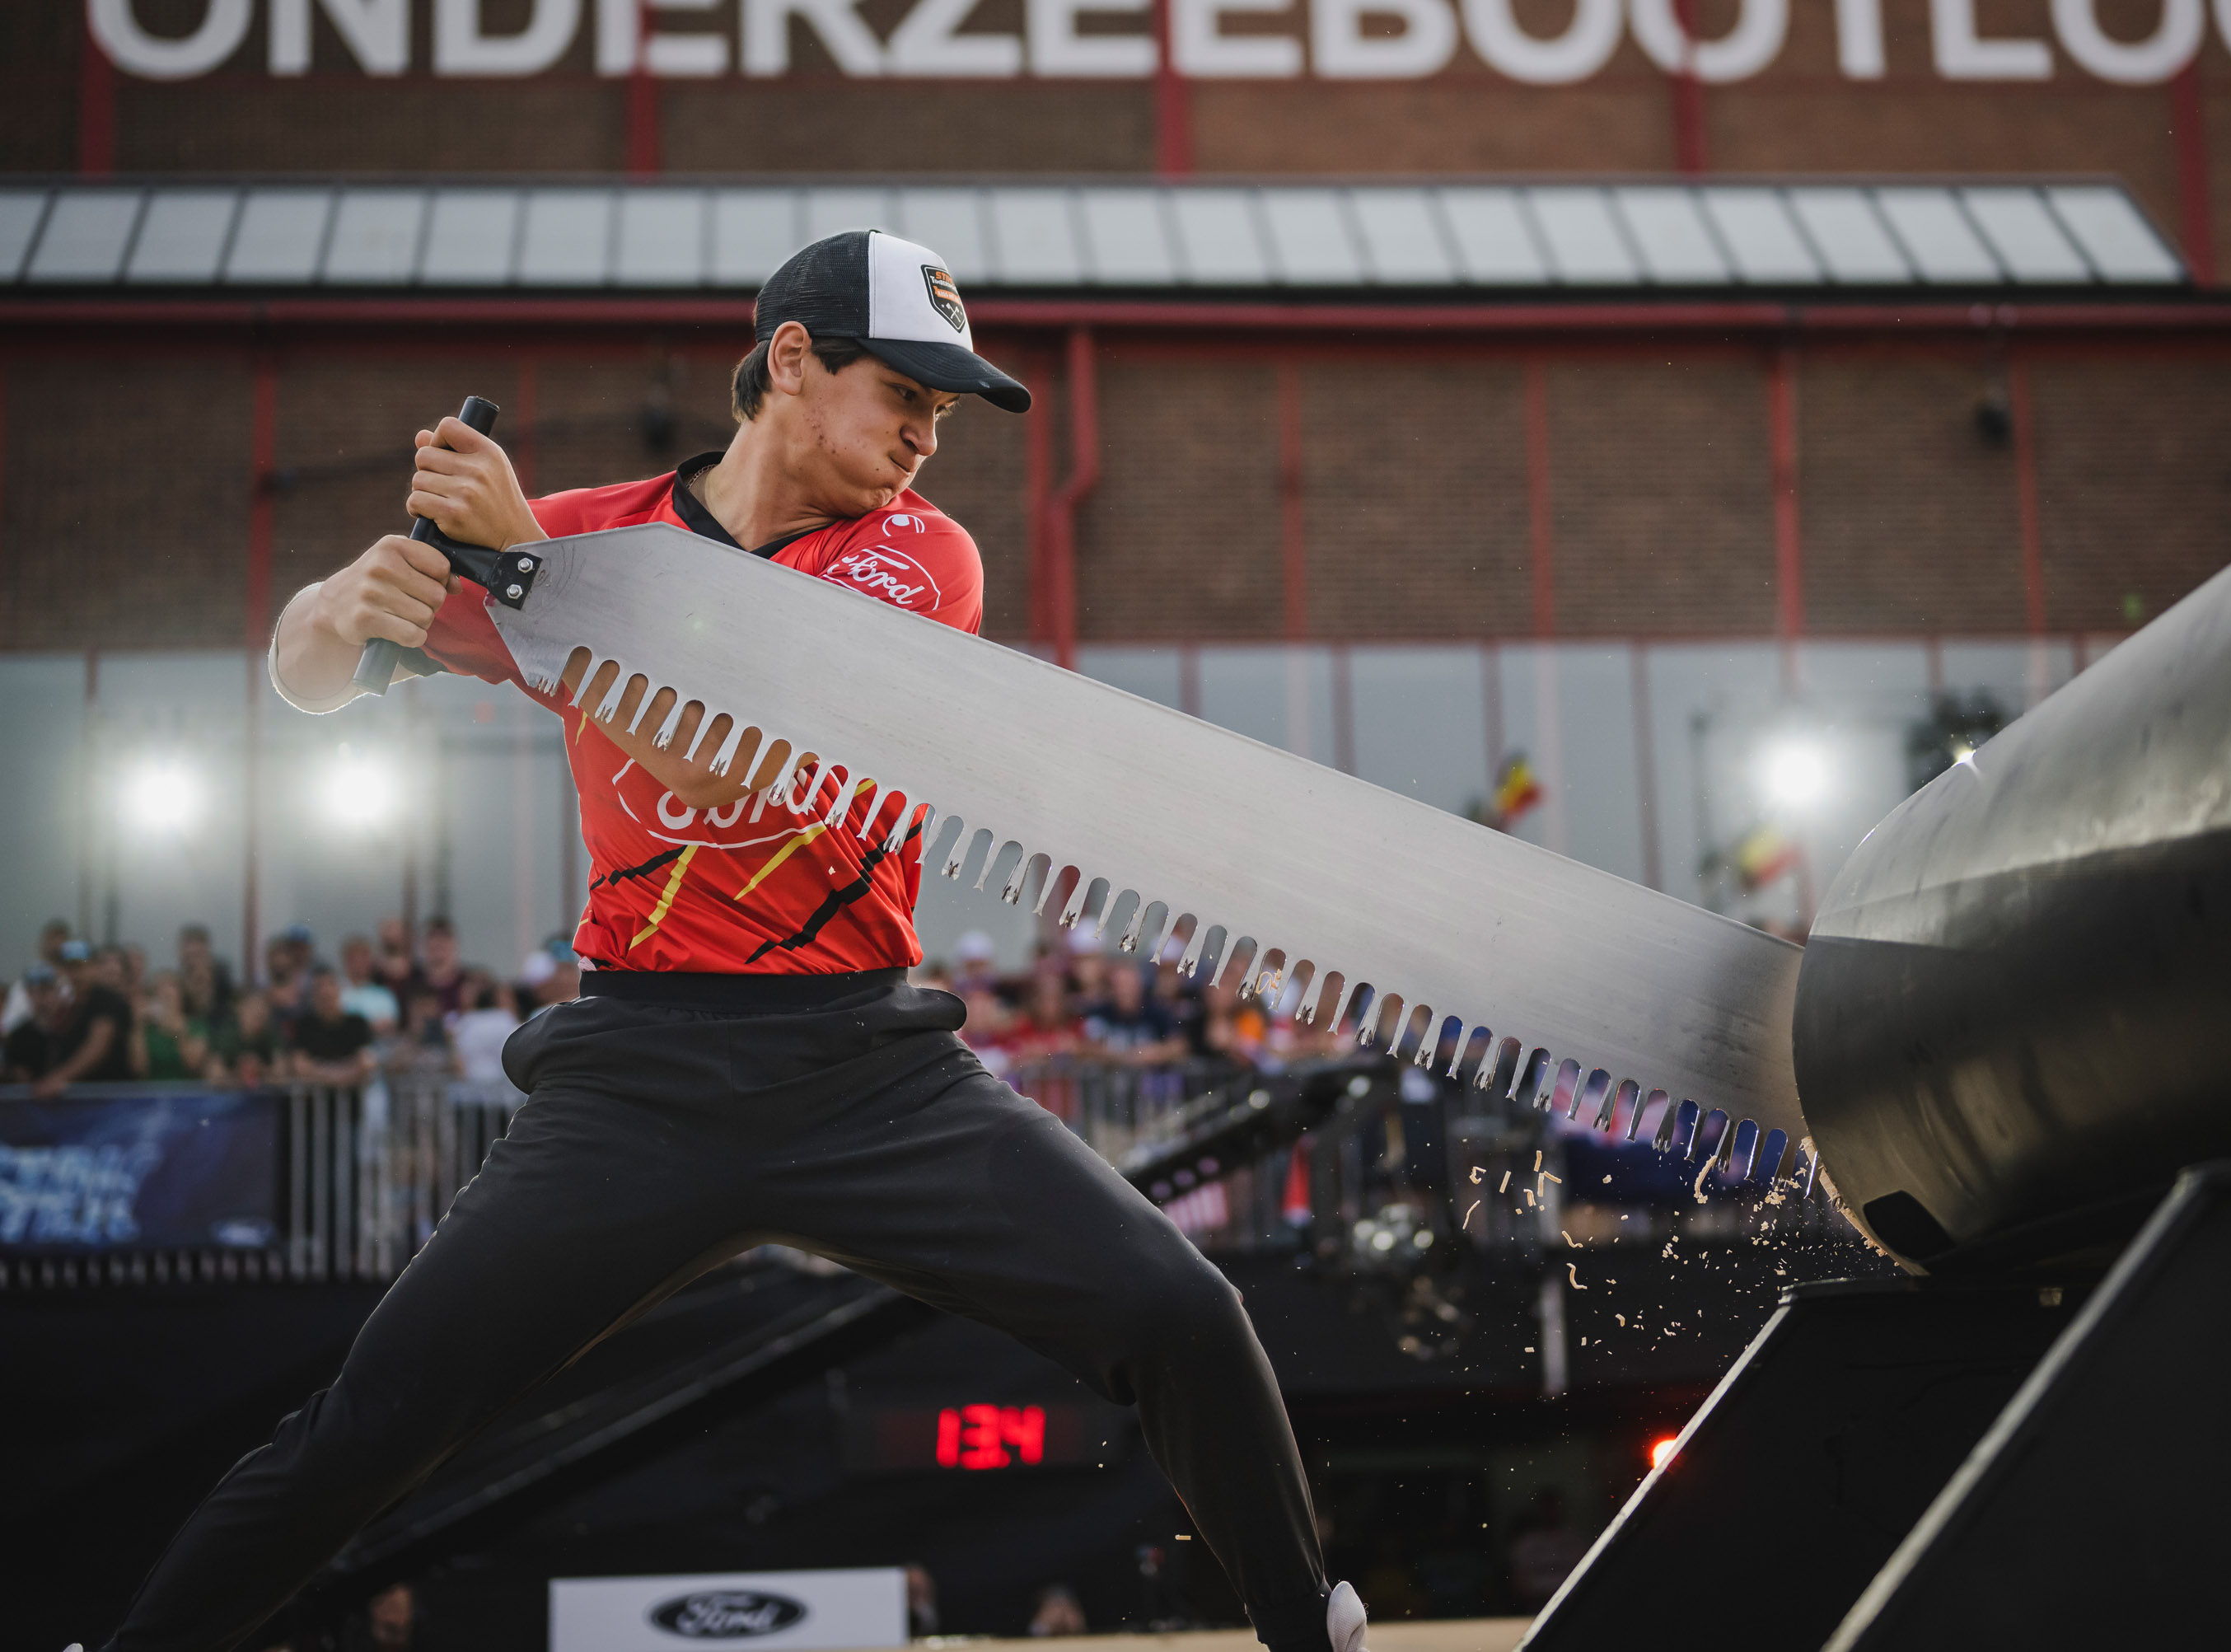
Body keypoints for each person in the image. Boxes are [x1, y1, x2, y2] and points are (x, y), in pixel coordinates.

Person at [90, 231, 1368, 1652]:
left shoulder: (915, 556)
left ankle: (1308, 1629)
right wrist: (344, 607)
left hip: (870, 1070)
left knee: (1180, 1312)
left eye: (944, 414)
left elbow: (730, 763)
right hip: (636, 1074)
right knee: (376, 1420)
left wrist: (524, 572)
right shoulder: (576, 536)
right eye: (907, 395)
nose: (926, 439)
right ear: (797, 363)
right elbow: (304, 671)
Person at [30, 941, 133, 1100]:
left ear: (94, 967)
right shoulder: (69, 1007)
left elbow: (97, 1046)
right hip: (78, 1102)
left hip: (110, 1102)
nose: (75, 974)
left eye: (80, 967)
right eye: (69, 968)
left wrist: (58, 1078)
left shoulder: (107, 1000)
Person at [287, 970, 375, 1089]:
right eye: (319, 987)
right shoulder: (305, 1025)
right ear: (313, 995)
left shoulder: (357, 1023)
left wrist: (324, 1074)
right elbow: (299, 1065)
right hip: (314, 1103)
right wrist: (338, 1075)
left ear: (340, 990)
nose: (325, 991)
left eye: (331, 985)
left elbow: (367, 1062)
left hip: (351, 1102)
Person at [449, 970, 522, 1103]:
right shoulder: (506, 1019)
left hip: (471, 1096)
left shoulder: (466, 1022)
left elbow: (458, 1060)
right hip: (500, 1096)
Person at [132, 971, 209, 1083]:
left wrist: (176, 1033)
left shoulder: (196, 1026)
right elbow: (139, 1069)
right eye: (159, 988)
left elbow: (193, 1065)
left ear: (181, 994)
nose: (164, 992)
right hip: (152, 1093)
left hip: (185, 1093)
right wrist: (138, 1026)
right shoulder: (147, 1029)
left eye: (171, 986)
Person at [337, 935, 400, 1036]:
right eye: (354, 958)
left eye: (364, 957)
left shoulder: (384, 994)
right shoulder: (336, 992)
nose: (359, 962)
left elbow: (389, 1024)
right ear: (346, 961)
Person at [175, 924, 237, 1027]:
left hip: (217, 1027)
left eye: (198, 954)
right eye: (190, 955)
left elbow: (223, 1006)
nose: (194, 959)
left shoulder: (221, 974)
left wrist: (206, 982)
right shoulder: (177, 981)